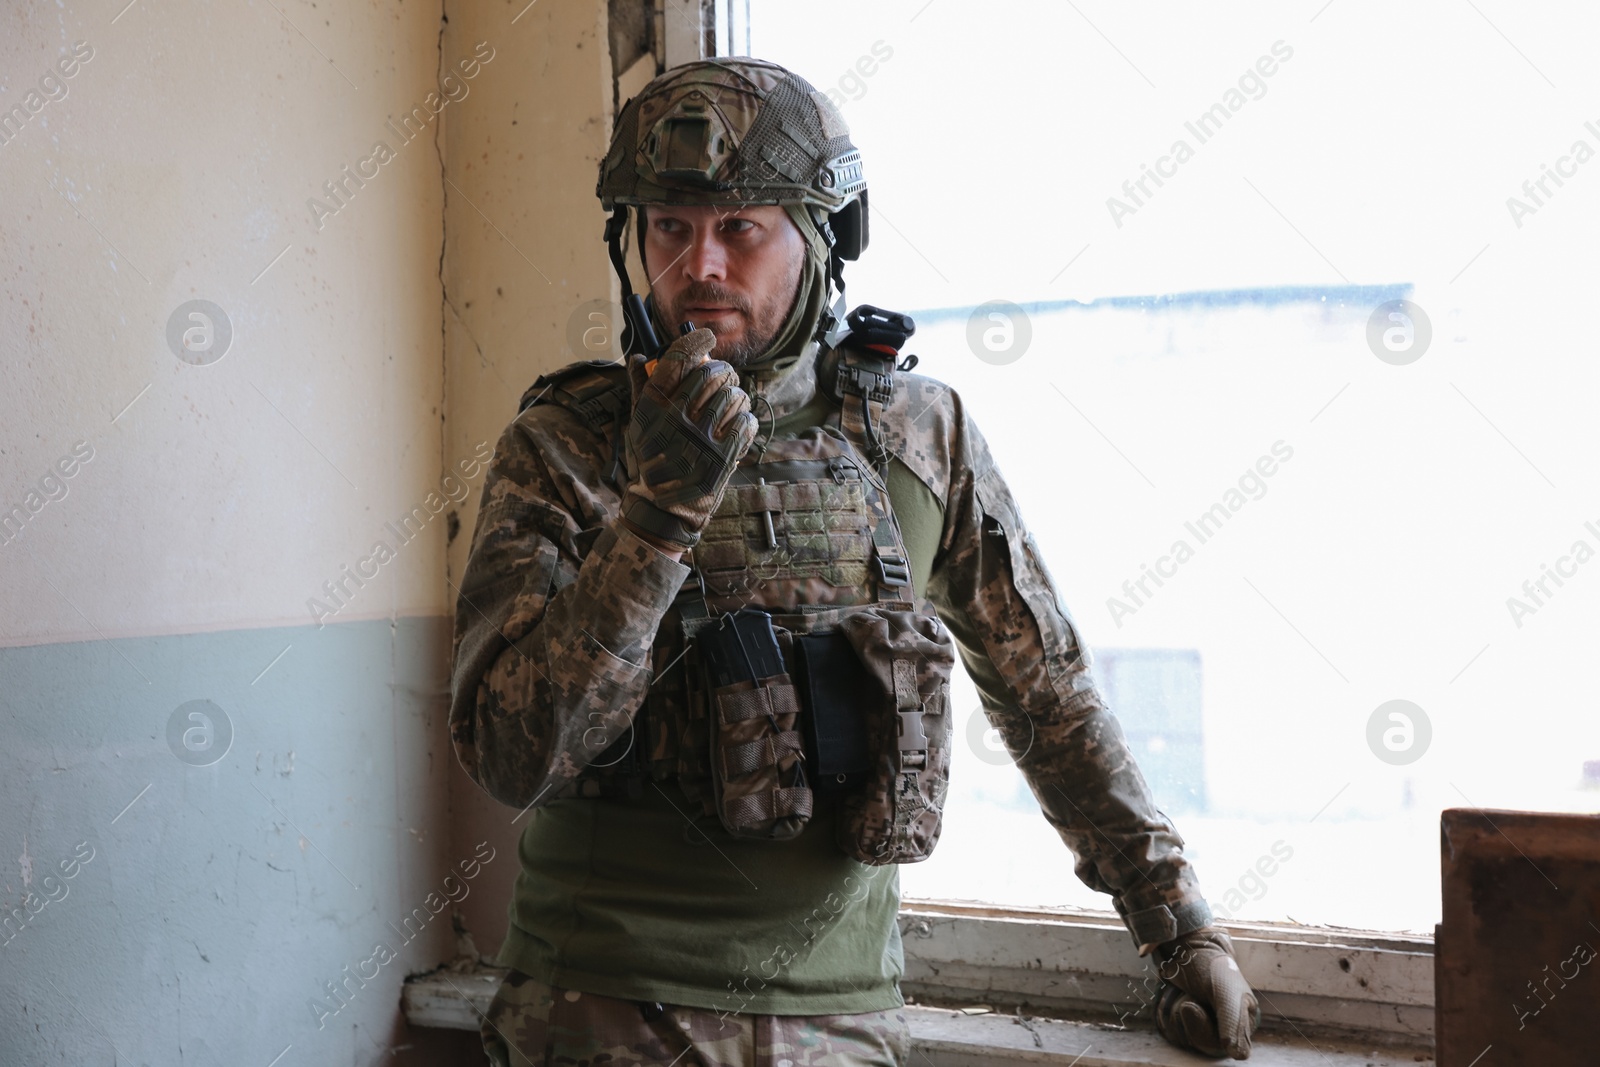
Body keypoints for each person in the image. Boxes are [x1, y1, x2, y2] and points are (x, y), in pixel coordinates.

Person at [449, 57, 1259, 1066]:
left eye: (738, 229)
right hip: (594, 1009)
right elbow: (509, 751)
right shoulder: (565, 445)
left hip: (839, 1023)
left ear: (822, 239)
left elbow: (1045, 692)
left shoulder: (918, 436)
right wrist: (656, 519)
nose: (698, 265)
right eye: (668, 227)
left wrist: (1178, 922)